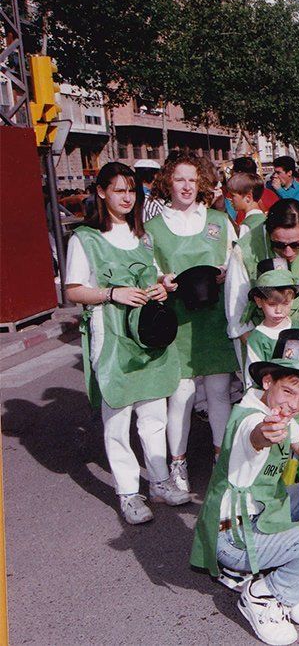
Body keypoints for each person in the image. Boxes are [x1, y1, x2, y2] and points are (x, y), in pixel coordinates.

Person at [189, 336, 299, 646]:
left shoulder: (279, 411)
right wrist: (266, 433)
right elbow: (256, 435)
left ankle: (266, 567)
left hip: (261, 510)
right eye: (288, 391)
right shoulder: (253, 418)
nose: (294, 404)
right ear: (268, 381)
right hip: (235, 535)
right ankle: (263, 595)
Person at [65, 162, 190, 524]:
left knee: (154, 414)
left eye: (131, 190)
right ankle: (128, 493)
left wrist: (162, 287)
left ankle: (160, 482)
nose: (126, 198)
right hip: (112, 336)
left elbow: (155, 277)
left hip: (147, 337)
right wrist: (111, 293)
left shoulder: (142, 237)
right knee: (117, 418)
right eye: (118, 190)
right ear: (101, 192)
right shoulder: (85, 239)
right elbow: (73, 291)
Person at [144, 153, 239, 491]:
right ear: (167, 182)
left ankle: (220, 460)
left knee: (218, 392)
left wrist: (227, 271)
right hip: (177, 321)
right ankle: (178, 464)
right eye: (179, 179)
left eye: (192, 180)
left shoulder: (218, 220)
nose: (186, 186)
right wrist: (161, 280)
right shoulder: (154, 228)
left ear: (201, 184)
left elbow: (235, 258)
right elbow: (147, 269)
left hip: (213, 319)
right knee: (181, 396)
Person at [226, 199, 299, 350]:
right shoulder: (244, 249)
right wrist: (260, 350)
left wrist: (296, 350)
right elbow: (236, 311)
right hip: (257, 339)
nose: (288, 252)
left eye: (297, 244)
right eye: (279, 245)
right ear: (268, 233)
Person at [240, 268, 299, 389]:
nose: (278, 310)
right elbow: (254, 376)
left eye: (285, 303)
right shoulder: (257, 339)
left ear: (292, 301)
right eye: (272, 304)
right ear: (259, 301)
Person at [228, 172, 267, 237]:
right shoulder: (265, 219)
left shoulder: (246, 226)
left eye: (233, 195)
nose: (230, 199)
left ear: (248, 198)